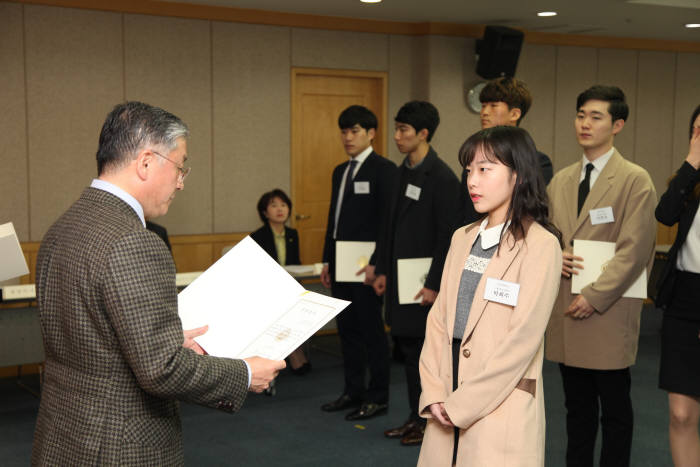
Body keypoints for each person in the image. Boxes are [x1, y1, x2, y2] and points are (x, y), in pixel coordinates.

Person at [31, 101, 285, 465]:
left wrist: (163, 336)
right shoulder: (135, 241)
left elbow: (89, 333)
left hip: (65, 433)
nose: (181, 183)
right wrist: (244, 373)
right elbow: (162, 370)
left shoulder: (64, 226)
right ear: (147, 162)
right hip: (118, 445)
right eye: (180, 167)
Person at [417, 125, 563, 466]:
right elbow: (438, 320)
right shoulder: (462, 238)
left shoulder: (541, 245)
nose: (472, 181)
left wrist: (461, 405)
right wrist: (435, 392)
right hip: (447, 389)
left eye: (485, 169)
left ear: (519, 175)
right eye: (469, 170)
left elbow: (522, 340)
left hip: (500, 401)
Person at [545, 85, 657, 467]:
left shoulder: (634, 179)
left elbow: (636, 250)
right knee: (575, 411)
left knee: (614, 411)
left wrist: (594, 296)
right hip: (564, 306)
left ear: (618, 124)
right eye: (580, 115)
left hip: (607, 311)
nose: (585, 124)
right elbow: (546, 236)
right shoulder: (560, 180)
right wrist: (553, 254)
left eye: (596, 117)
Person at [373, 101, 462, 446]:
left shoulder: (441, 177)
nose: (396, 136)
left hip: (425, 284)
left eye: (404, 130)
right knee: (408, 352)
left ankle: (428, 421)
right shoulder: (400, 172)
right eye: (395, 129)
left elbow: (447, 237)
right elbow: (389, 227)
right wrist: (381, 269)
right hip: (399, 280)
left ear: (423, 134)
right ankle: (416, 416)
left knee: (423, 355)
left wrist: (434, 283)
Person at [319, 105, 397, 421]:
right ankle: (353, 392)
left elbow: (386, 223)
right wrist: (327, 259)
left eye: (355, 131)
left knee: (371, 332)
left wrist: (379, 264)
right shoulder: (341, 170)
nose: (348, 138)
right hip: (340, 262)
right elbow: (333, 220)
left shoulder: (385, 170)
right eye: (344, 131)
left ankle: (378, 396)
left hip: (368, 266)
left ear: (371, 133)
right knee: (347, 331)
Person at [654, 104, 700, 467]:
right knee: (681, 414)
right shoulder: (689, 183)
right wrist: (692, 164)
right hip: (684, 301)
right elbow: (664, 214)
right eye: (697, 131)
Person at [462, 77, 553, 225]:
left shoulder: (538, 161)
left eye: (493, 105)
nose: (484, 112)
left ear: (515, 114)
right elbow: (465, 213)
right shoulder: (474, 159)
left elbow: (531, 208)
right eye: (483, 105)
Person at [250, 188, 309, 375]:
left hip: (289, 289)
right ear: (265, 212)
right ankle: (295, 355)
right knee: (282, 309)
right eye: (274, 205)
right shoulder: (258, 236)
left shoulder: (293, 234)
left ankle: (290, 353)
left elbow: (296, 264)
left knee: (298, 305)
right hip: (266, 291)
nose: (280, 209)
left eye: (284, 205)